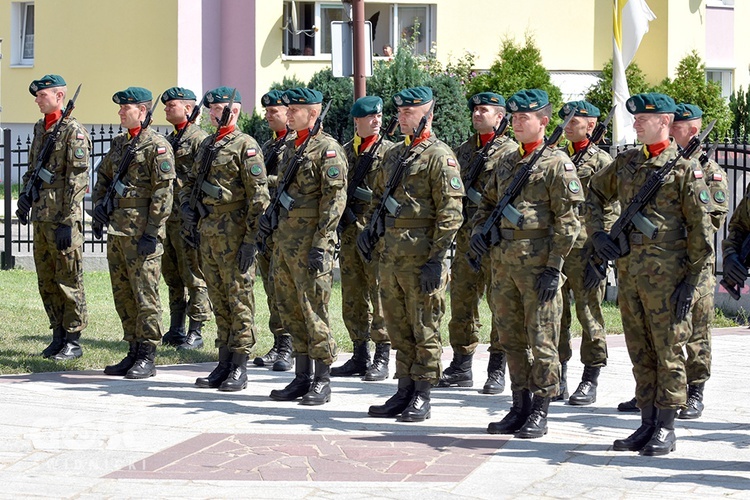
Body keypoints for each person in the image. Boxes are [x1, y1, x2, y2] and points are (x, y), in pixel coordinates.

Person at [587, 92, 713, 456]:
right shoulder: (625, 163)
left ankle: (667, 428)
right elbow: (593, 194)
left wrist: (690, 283)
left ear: (664, 121)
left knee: (669, 351)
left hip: (669, 278)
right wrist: (599, 234)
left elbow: (702, 235)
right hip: (630, 274)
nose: (637, 123)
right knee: (640, 350)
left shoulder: (686, 170)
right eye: (636, 118)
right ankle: (646, 423)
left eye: (645, 118)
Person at [470, 89, 584, 439]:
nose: (518, 123)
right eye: (515, 117)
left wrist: (555, 267)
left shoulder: (556, 164)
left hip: (539, 269)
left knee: (542, 339)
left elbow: (569, 222)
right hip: (503, 264)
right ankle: (518, 404)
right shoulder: (506, 162)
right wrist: (479, 230)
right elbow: (487, 202)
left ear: (544, 122)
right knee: (510, 338)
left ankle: (540, 408)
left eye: (525, 118)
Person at [361, 86, 464, 422]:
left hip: (422, 259)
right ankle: (403, 389)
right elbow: (378, 200)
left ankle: (423, 393)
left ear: (428, 115)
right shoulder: (393, 155)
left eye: (409, 112)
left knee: (425, 326)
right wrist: (370, 232)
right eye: (400, 112)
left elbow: (450, 213)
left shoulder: (439, 156)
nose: (401, 118)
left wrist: (437, 259)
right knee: (397, 325)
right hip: (391, 257)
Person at [261, 87, 347, 406]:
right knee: (290, 308)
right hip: (285, 242)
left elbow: (334, 201)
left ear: (313, 113)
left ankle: (322, 379)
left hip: (311, 243)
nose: (290, 113)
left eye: (296, 109)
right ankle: (301, 376)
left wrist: (322, 245)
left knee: (314, 310)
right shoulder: (291, 148)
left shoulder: (327, 150)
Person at [181, 87, 270, 392]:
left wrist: (250, 241)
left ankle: (240, 366)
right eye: (210, 110)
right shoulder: (208, 144)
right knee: (219, 299)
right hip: (209, 233)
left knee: (239, 300)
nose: (210, 114)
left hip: (234, 236)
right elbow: (190, 182)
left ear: (232, 111)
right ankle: (223, 361)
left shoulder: (245, 146)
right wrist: (187, 208)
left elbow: (259, 198)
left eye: (216, 109)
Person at [92, 86, 175, 379]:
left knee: (145, 295)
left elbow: (163, 193)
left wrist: (152, 232)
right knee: (123, 294)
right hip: (117, 231)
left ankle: (148, 354)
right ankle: (132, 349)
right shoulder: (119, 144)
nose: (119, 113)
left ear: (141, 111)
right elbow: (102, 176)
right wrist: (99, 208)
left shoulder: (157, 146)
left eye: (125, 108)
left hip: (141, 234)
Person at [437, 92, 516, 393]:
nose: (477, 114)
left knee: (500, 305)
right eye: (475, 110)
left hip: (495, 242)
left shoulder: (511, 153)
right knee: (462, 302)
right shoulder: (464, 151)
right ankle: (461, 364)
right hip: (467, 239)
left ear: (499, 117)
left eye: (484, 110)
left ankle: (497, 367)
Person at [17, 74, 90, 361]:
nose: (37, 100)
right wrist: (25, 197)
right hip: (41, 217)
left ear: (59, 97)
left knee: (69, 279)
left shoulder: (74, 131)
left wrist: (69, 220)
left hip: (62, 219)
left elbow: (78, 179)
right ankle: (57, 334)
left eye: (42, 95)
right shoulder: (40, 128)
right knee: (46, 279)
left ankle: (73, 338)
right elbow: (33, 167)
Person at [554, 101, 616, 405]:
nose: (567, 123)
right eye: (565, 118)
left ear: (590, 125)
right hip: (558, 247)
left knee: (589, 314)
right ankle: (559, 375)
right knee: (556, 314)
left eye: (574, 119)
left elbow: (611, 211)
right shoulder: (557, 156)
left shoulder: (602, 161)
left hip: (586, 250)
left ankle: (590, 378)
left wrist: (601, 256)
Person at [671, 103, 728, 419]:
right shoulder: (666, 165)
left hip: (698, 267)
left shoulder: (710, 172)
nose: (669, 130)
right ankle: (662, 389)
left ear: (693, 131)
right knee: (663, 328)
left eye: (675, 126)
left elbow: (712, 220)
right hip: (663, 264)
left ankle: (695, 392)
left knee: (696, 330)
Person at [330, 95, 393, 381]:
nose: (376, 120)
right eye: (370, 117)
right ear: (357, 121)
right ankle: (359, 353)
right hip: (349, 230)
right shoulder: (344, 152)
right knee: (353, 293)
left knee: (378, 292)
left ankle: (382, 355)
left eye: (379, 116)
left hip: (376, 232)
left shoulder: (389, 152)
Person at [160, 87, 212, 351]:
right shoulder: (172, 139)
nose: (167, 109)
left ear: (189, 109)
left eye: (172, 105)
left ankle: (196, 329)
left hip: (189, 218)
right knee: (172, 275)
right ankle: (176, 326)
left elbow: (202, 181)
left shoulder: (199, 139)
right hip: (169, 217)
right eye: (166, 105)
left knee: (194, 274)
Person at [252, 89, 294, 372]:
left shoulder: (296, 145)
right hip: (266, 226)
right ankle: (278, 341)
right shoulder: (269, 145)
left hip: (285, 227)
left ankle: (289, 346)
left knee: (286, 289)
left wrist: (262, 179)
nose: (267, 116)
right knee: (271, 288)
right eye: (266, 112)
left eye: (273, 112)